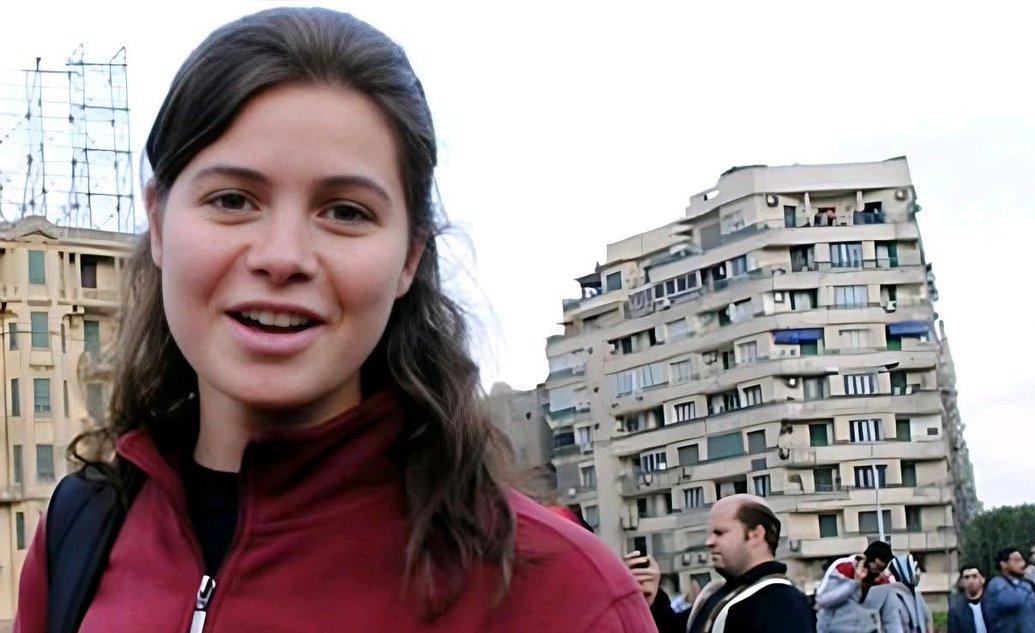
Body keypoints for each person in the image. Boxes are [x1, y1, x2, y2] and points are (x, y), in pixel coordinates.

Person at [12, 8, 656, 633]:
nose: (283, 257)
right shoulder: (80, 535)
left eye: (346, 212)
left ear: (410, 257)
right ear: (157, 223)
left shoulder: (563, 598)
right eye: (233, 200)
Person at [628, 494, 814, 633]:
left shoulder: (782, 604)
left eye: (719, 533)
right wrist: (652, 599)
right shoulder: (719, 594)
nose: (709, 542)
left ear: (756, 534)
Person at [815, 540, 896, 633]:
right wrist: (855, 583)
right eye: (877, 566)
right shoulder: (843, 567)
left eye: (882, 568)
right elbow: (822, 600)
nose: (878, 572)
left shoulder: (882, 580)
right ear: (866, 560)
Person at [982, 547, 1035, 633]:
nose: (1023, 564)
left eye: (1022, 560)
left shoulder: (1024, 585)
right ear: (1003, 564)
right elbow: (1015, 601)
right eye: (1017, 560)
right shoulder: (996, 584)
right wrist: (1030, 580)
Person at [865, 553, 932, 633]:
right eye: (916, 569)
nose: (918, 573)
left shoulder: (917, 595)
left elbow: (928, 622)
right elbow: (893, 625)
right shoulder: (892, 596)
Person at [949, 565, 989, 633]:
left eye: (975, 576)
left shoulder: (993, 603)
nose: (971, 581)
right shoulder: (956, 610)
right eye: (966, 577)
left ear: (983, 579)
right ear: (961, 582)